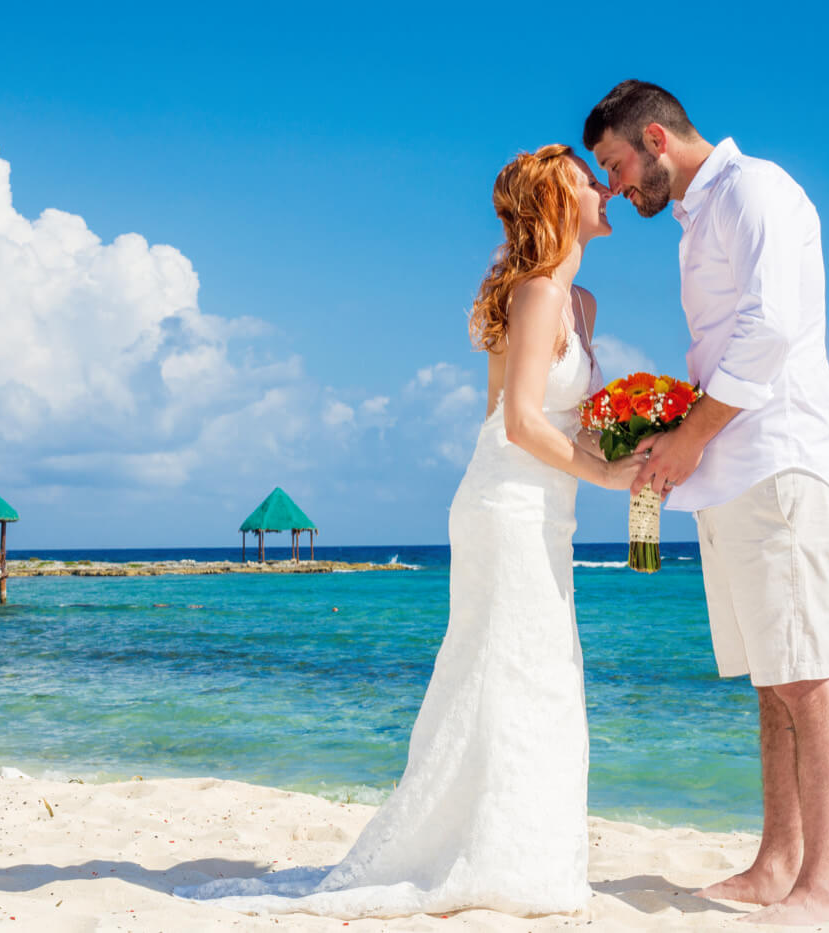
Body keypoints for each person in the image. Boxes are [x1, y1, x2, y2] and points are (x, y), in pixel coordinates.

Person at [173, 144, 644, 918]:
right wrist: (609, 475)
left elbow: (565, 422)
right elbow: (520, 423)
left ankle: (527, 855)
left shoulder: (581, 304)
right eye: (587, 181)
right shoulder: (532, 295)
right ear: (557, 204)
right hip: (505, 506)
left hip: (549, 511)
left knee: (545, 674)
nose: (605, 189)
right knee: (507, 671)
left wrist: (632, 449)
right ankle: (489, 859)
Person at [584, 80, 829, 926]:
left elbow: (771, 328)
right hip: (729, 473)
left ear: (655, 137)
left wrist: (691, 435)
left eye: (617, 166)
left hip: (779, 462)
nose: (617, 190)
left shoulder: (757, 191)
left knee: (806, 676)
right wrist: (677, 438)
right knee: (771, 683)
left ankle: (823, 883)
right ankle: (776, 863)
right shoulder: (697, 219)